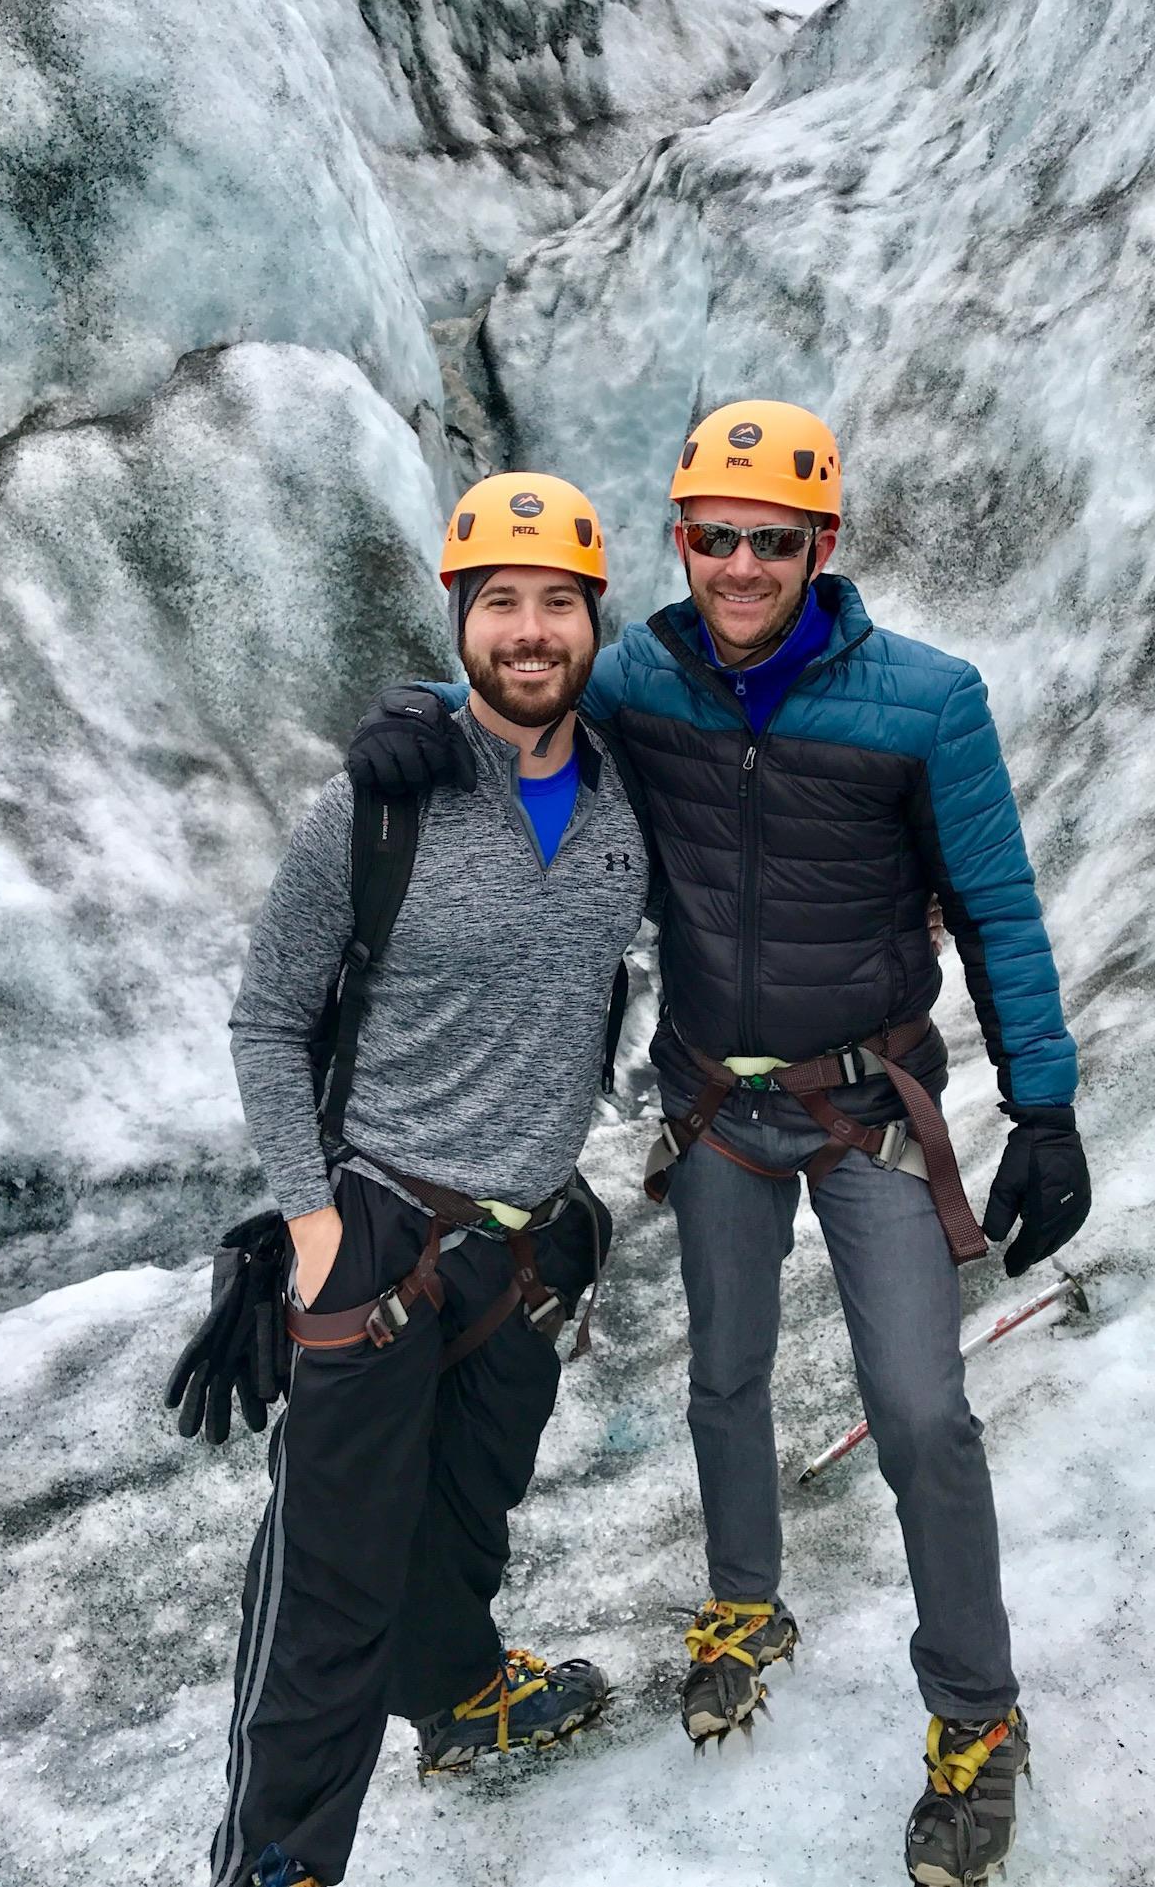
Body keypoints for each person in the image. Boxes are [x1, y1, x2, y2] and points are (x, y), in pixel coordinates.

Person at [345, 403, 1091, 1887]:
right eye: (713, 536)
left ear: (823, 542)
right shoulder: (635, 679)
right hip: (712, 1105)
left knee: (922, 1411)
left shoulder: (925, 701)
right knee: (723, 1375)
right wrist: (429, 716)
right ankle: (742, 1604)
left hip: (866, 1104)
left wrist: (1044, 1102)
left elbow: (997, 906)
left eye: (771, 537)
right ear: (678, 541)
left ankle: (974, 1713)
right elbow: (522, 704)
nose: (742, 564)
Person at [209, 473, 652, 1887]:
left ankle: (459, 1697)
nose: (530, 631)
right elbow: (269, 1017)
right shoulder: (376, 804)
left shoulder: (631, 794)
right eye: (500, 603)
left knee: (461, 1518)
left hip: (525, 1243)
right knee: (326, 1588)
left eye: (557, 604)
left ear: (595, 622)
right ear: (460, 619)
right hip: (381, 1232)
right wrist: (313, 1216)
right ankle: (277, 1862)